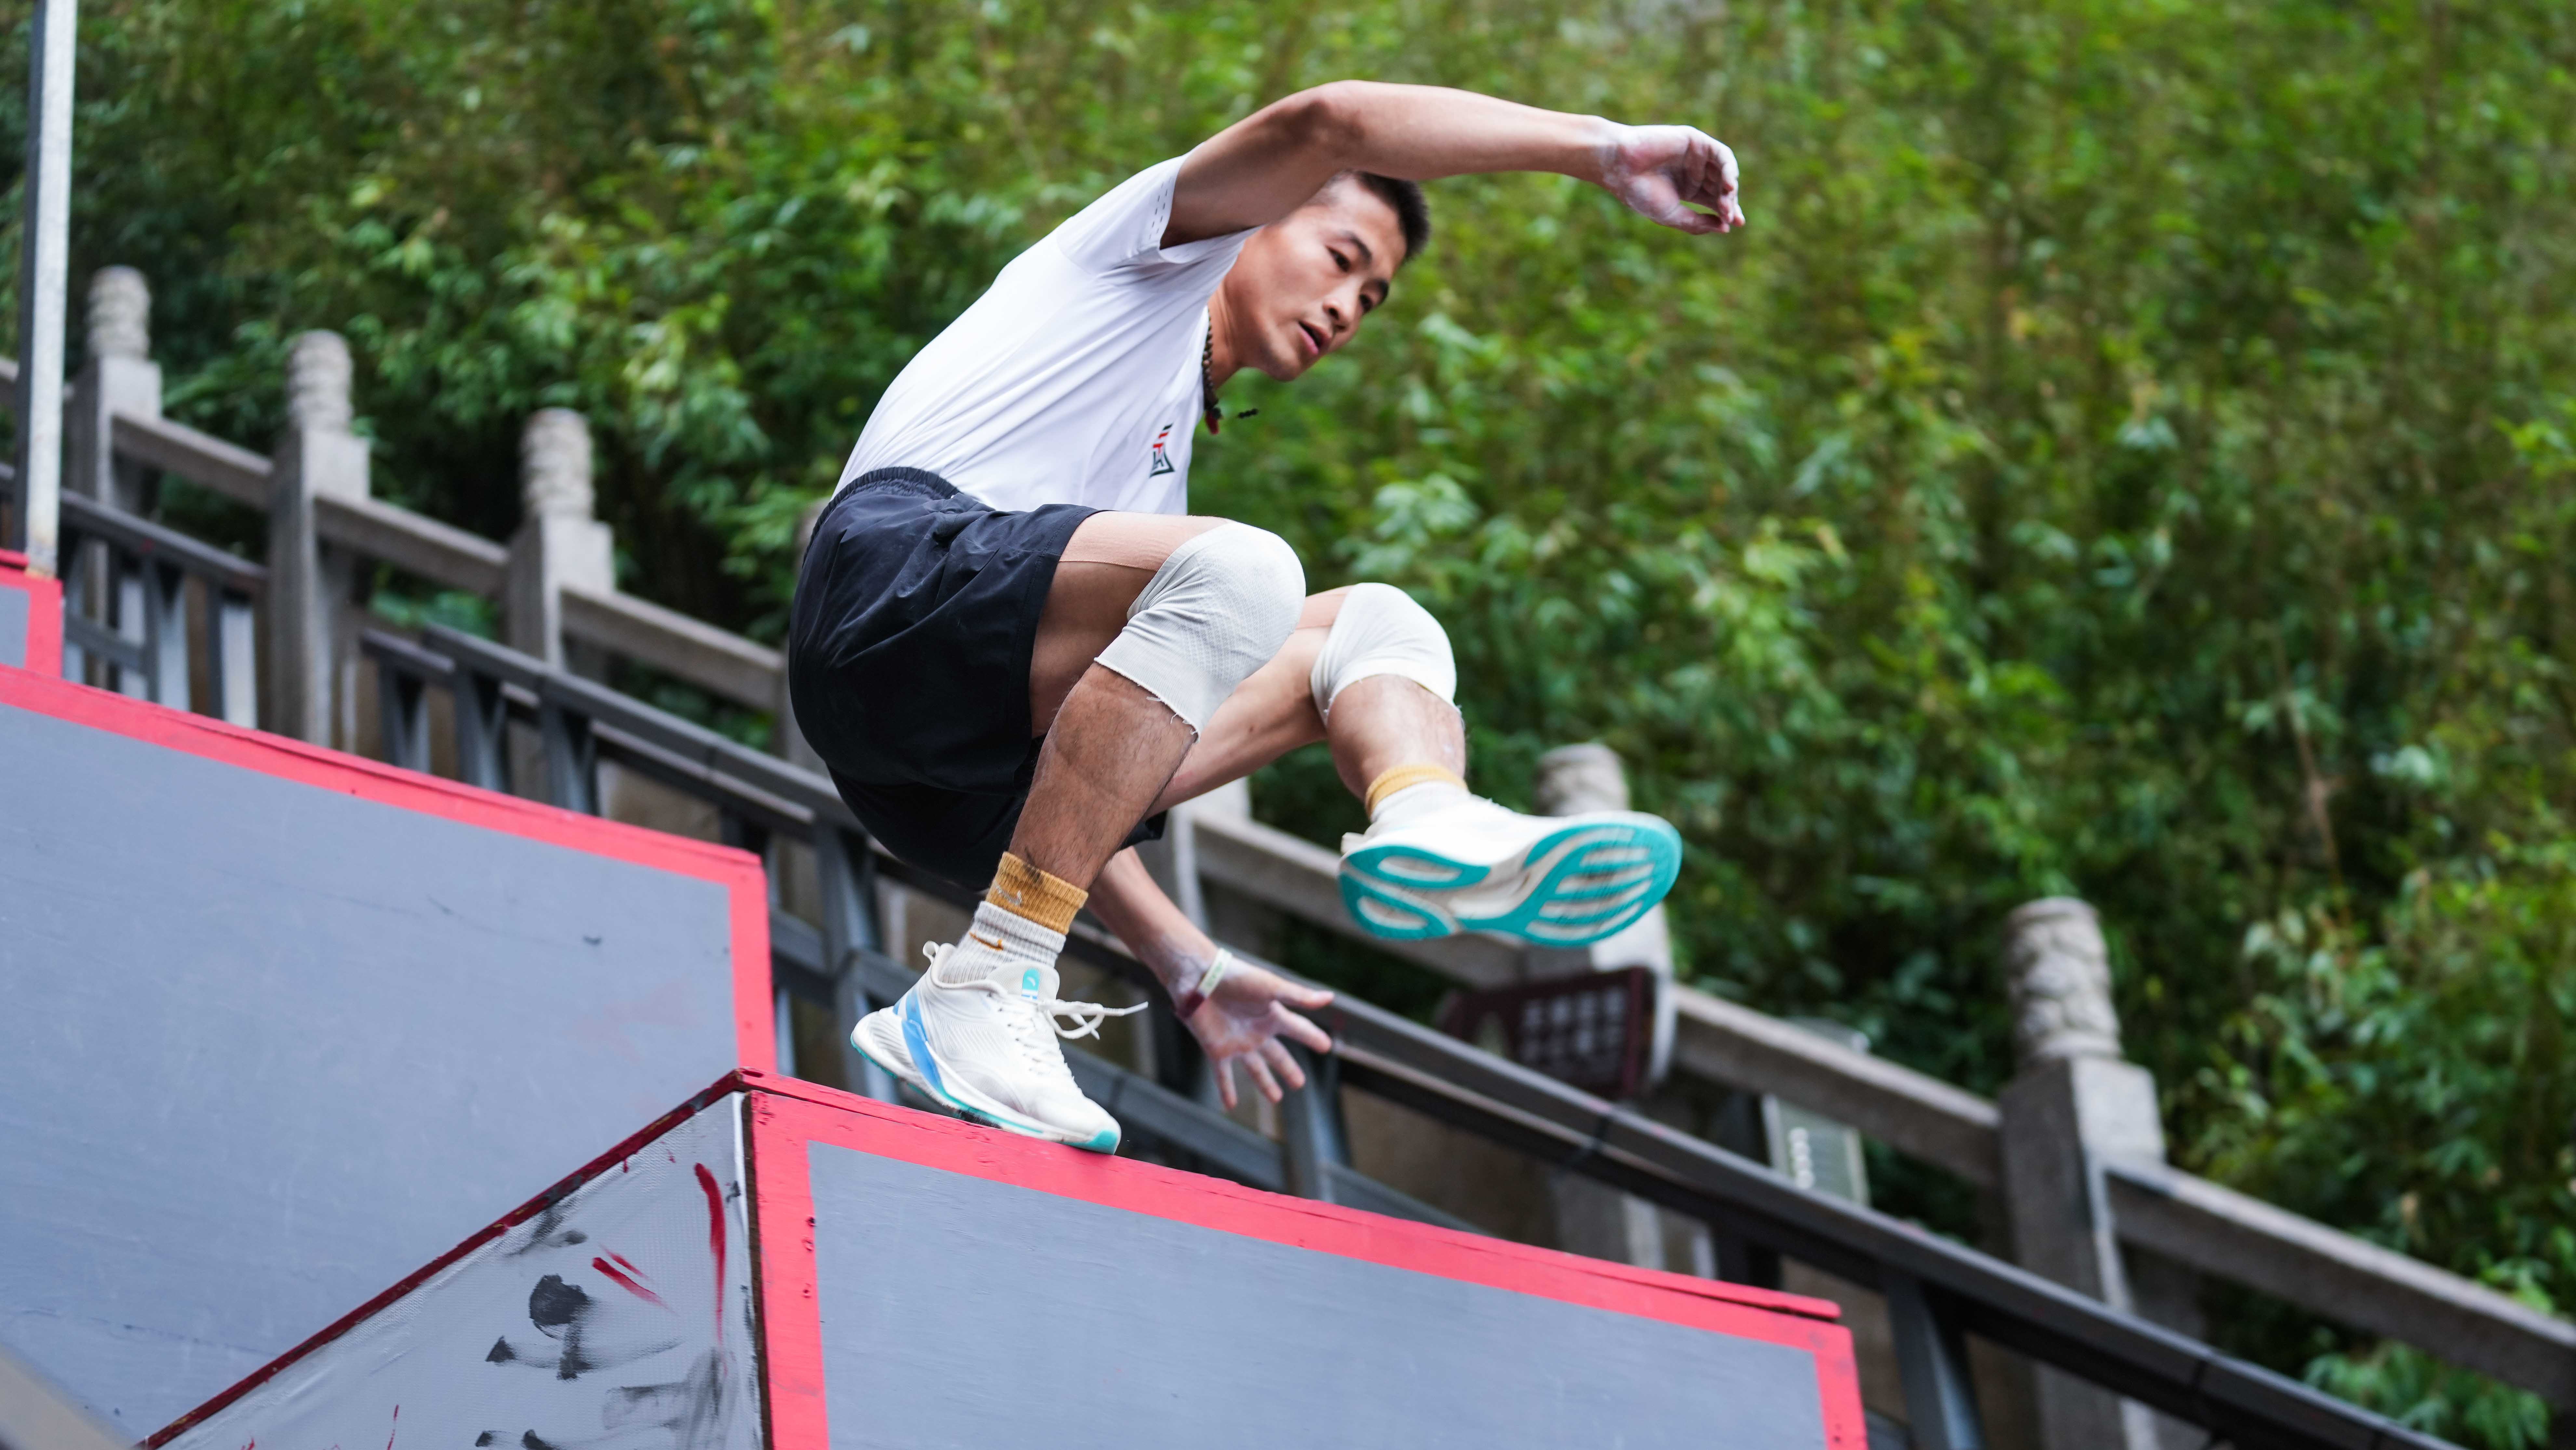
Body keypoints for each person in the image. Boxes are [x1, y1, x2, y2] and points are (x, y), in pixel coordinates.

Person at [788, 80, 1744, 1152]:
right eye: (1342, 261)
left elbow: (1085, 775)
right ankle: (989, 980)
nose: (1348, 309)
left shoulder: (1158, 510)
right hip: (884, 598)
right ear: (1260, 219)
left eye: (1373, 300)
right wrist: (1598, 149)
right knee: (1248, 575)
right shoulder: (1140, 257)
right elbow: (1330, 121)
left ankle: (1426, 810)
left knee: (1378, 627)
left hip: (953, 789)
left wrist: (1187, 965)